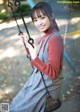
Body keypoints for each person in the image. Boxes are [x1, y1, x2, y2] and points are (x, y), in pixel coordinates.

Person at [9, 2, 64, 112]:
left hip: (45, 87)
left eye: (42, 18)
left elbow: (53, 73)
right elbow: (36, 59)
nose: (39, 23)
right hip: (37, 82)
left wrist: (34, 57)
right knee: (12, 105)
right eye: (35, 20)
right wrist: (26, 43)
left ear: (52, 16)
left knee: (15, 109)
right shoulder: (45, 37)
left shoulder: (54, 39)